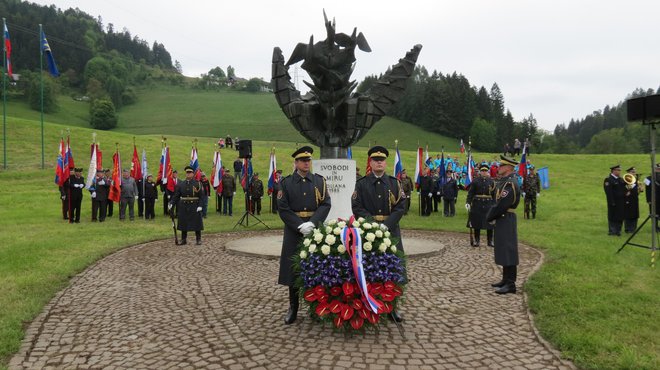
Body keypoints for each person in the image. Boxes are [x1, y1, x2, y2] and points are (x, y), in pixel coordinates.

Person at [277, 146, 331, 324]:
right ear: (296, 163)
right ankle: (293, 307)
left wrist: (313, 222)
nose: (306, 163)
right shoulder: (286, 183)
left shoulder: (319, 181)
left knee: (316, 268)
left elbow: (325, 204)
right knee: (294, 269)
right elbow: (283, 208)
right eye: (302, 161)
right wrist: (299, 226)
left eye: (308, 160)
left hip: (315, 231)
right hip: (294, 231)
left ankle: (316, 308)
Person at [352, 145, 405, 322]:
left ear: (385, 162)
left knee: (393, 269)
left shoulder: (394, 183)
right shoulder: (361, 184)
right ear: (370, 162)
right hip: (368, 233)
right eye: (375, 160)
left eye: (381, 160)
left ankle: (393, 307)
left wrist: (387, 225)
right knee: (370, 268)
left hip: (391, 231)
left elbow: (400, 207)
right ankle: (369, 305)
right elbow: (357, 207)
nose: (379, 162)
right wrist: (374, 225)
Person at [486, 155, 521, 294]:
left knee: (509, 249)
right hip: (502, 217)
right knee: (503, 248)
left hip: (506, 217)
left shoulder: (510, 183)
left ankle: (511, 284)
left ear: (508, 168)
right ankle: (506, 279)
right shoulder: (504, 181)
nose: (498, 168)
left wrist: (490, 216)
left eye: (501, 166)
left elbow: (502, 204)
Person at [169, 166, 205, 245]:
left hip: (194, 205)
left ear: (193, 173)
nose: (188, 174)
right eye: (187, 173)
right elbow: (176, 196)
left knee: (197, 223)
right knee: (183, 223)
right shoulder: (181, 184)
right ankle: (183, 239)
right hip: (184, 206)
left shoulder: (197, 183)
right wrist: (171, 203)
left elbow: (202, 196)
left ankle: (198, 239)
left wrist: (200, 206)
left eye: (190, 173)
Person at [466, 164, 495, 247]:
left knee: (490, 223)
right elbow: (470, 193)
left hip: (488, 204)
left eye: (485, 171)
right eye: (482, 171)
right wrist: (468, 202)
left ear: (488, 172)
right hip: (477, 204)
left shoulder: (491, 181)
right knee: (477, 223)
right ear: (480, 172)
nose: (484, 172)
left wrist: (495, 205)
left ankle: (490, 241)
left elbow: (494, 195)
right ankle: (477, 240)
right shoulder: (475, 181)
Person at [604, 164, 625, 236]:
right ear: (613, 171)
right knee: (613, 216)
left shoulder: (620, 179)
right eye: (618, 170)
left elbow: (623, 189)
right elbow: (608, 192)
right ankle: (612, 231)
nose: (619, 172)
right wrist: (611, 202)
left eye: (620, 170)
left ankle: (618, 231)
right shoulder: (608, 179)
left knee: (620, 216)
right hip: (614, 201)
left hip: (621, 201)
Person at [623, 167, 640, 233]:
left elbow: (636, 191)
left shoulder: (636, 180)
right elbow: (624, 189)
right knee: (628, 213)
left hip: (635, 199)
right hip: (627, 199)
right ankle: (627, 228)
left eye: (634, 172)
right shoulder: (625, 180)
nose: (634, 173)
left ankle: (633, 228)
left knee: (635, 213)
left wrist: (639, 189)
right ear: (628, 173)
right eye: (632, 172)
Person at [644, 164, 660, 231]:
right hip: (653, 199)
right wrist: (648, 200)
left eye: (659, 169)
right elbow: (647, 190)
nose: (658, 170)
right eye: (656, 169)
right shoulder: (647, 179)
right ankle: (655, 227)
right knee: (654, 213)